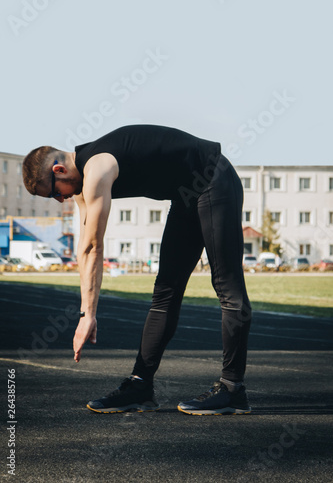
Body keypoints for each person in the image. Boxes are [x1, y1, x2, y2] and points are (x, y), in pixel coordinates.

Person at [22, 124, 252, 416]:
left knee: (227, 287)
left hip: (213, 177)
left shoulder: (97, 168)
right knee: (165, 291)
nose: (60, 199)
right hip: (185, 195)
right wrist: (85, 311)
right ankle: (141, 386)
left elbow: (94, 247)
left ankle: (233, 389)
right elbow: (84, 249)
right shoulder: (82, 184)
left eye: (54, 193)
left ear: (59, 171)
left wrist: (88, 317)